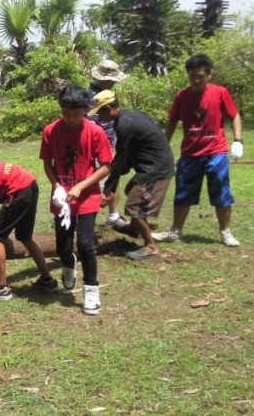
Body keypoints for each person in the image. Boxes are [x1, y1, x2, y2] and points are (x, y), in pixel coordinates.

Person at [152, 54, 243, 247]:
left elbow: (234, 115)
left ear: (208, 76)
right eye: (192, 75)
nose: (195, 80)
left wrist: (238, 140)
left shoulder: (220, 93)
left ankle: (225, 232)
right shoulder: (182, 96)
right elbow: (172, 122)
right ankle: (175, 231)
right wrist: (163, 146)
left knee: (221, 193)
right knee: (182, 193)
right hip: (190, 155)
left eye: (200, 76)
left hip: (215, 154)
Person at [40, 85, 113, 315]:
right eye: (66, 113)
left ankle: (91, 289)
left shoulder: (95, 132)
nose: (71, 118)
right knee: (63, 243)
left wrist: (81, 186)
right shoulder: (51, 131)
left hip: (87, 195)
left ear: (86, 110)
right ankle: (67, 264)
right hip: (62, 198)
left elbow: (106, 167)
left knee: (85, 243)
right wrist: (56, 186)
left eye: (76, 114)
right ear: (61, 109)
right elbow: (47, 164)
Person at [90, 90, 174, 260]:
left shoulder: (124, 125)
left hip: (155, 169)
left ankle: (150, 247)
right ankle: (135, 228)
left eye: (99, 111)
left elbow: (120, 161)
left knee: (134, 207)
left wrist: (106, 191)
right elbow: (127, 156)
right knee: (131, 190)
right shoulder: (130, 115)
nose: (99, 116)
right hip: (153, 164)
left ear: (107, 108)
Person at [0, 161, 55, 301]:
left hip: (19, 189)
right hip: (30, 184)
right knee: (25, 236)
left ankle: (1, 288)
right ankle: (48, 280)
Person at [87, 59, 127, 227]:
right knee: (93, 180)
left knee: (113, 178)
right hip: (95, 146)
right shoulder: (90, 96)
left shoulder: (110, 94)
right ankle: (86, 215)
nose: (112, 83)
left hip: (109, 143)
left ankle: (113, 215)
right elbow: (89, 123)